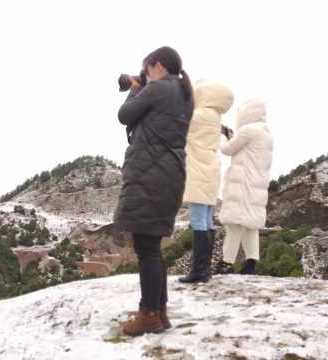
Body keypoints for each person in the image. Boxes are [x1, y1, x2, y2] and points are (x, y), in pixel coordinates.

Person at [112, 46, 194, 337]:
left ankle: (148, 314)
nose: (144, 74)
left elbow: (125, 115)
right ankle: (159, 312)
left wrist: (134, 89)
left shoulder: (158, 89)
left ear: (157, 66)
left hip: (151, 175)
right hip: (169, 175)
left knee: (146, 250)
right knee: (152, 248)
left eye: (146, 69)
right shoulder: (183, 94)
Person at [179, 79, 234, 284]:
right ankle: (205, 269)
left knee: (199, 221)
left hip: (198, 173)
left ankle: (199, 270)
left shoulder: (200, 115)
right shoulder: (215, 116)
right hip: (210, 172)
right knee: (208, 221)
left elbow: (177, 119)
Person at [214, 98, 274, 275]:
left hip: (243, 186)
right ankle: (251, 264)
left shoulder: (248, 130)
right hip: (256, 186)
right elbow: (246, 149)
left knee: (234, 225)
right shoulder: (266, 133)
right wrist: (232, 136)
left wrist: (221, 136)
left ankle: (227, 263)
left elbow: (227, 150)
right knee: (250, 226)